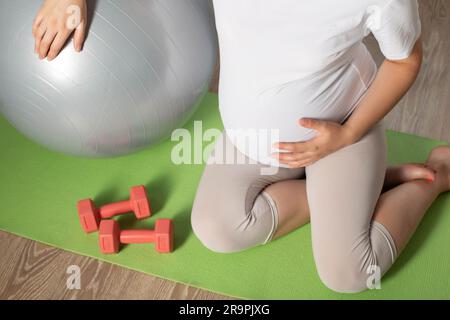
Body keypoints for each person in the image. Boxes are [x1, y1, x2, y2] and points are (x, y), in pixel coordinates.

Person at [33, 0, 450, 293]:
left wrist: (347, 134)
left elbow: (405, 60)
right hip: (251, 139)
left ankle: (434, 179)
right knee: (218, 227)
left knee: (351, 275)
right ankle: (368, 185)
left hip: (340, 130)